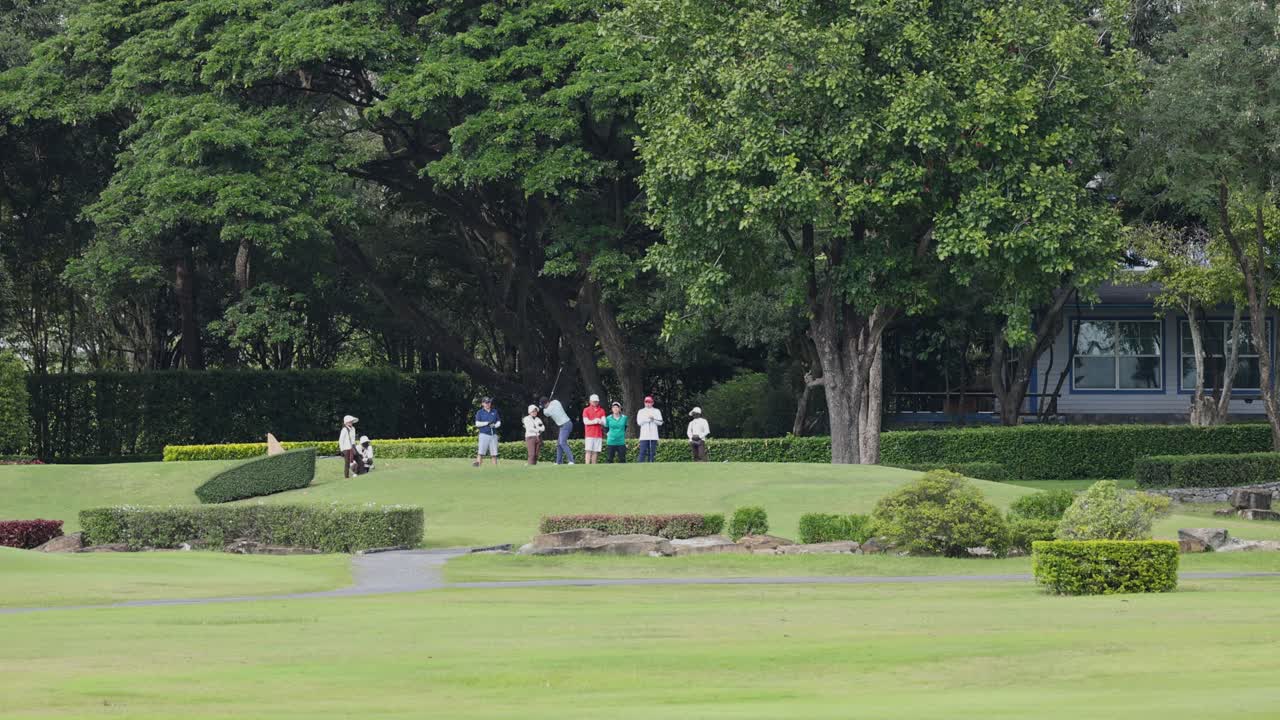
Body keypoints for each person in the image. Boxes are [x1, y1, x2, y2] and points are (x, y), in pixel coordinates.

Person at [540, 395, 575, 465]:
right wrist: (549, 402)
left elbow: (545, 411)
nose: (543, 407)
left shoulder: (546, 411)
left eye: (543, 405)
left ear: (546, 404)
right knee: (559, 444)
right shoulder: (556, 402)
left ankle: (571, 461)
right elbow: (553, 401)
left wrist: (548, 404)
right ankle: (558, 462)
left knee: (562, 442)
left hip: (566, 424)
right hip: (564, 425)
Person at [473, 397, 501, 467]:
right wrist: (487, 423)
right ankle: (478, 468)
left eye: (489, 402)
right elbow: (477, 423)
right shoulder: (480, 412)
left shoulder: (494, 411)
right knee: (481, 452)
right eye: (486, 402)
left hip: (493, 435)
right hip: (483, 434)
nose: (488, 404)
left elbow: (499, 421)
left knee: (494, 454)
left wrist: (495, 425)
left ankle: (495, 469)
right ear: (483, 404)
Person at [581, 393, 607, 465]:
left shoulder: (601, 410)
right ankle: (587, 465)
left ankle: (593, 465)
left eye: (596, 401)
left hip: (598, 434)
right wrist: (595, 421)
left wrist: (600, 421)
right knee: (588, 450)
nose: (595, 403)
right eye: (593, 401)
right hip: (589, 434)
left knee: (595, 451)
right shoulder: (586, 410)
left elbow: (604, 423)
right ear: (590, 401)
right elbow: (585, 422)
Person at [636, 395, 663, 462]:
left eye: (649, 402)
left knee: (652, 453)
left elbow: (660, 422)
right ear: (644, 403)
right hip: (644, 436)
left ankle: (651, 468)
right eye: (646, 402)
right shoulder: (641, 411)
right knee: (642, 452)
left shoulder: (657, 411)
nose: (648, 403)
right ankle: (640, 468)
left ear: (652, 402)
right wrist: (647, 419)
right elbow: (639, 422)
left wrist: (653, 419)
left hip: (653, 436)